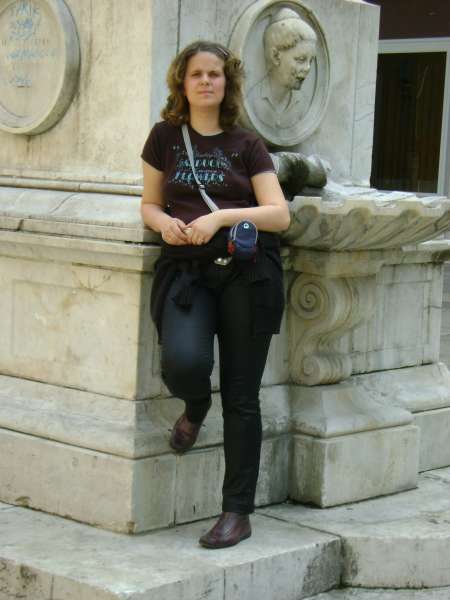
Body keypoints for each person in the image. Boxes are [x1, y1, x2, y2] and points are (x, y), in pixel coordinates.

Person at [140, 40, 290, 549]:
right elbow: (150, 203)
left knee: (243, 397)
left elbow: (279, 214)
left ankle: (236, 512)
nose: (206, 81)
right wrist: (163, 224)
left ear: (227, 83)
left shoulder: (247, 144)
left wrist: (221, 217)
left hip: (246, 273)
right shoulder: (163, 138)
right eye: (197, 74)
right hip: (188, 272)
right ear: (182, 83)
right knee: (183, 362)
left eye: (215, 74)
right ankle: (196, 405)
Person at [247, 7, 317, 129]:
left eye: (310, 61)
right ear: (275, 56)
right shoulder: (252, 100)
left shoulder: (303, 105)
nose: (307, 68)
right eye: (301, 59)